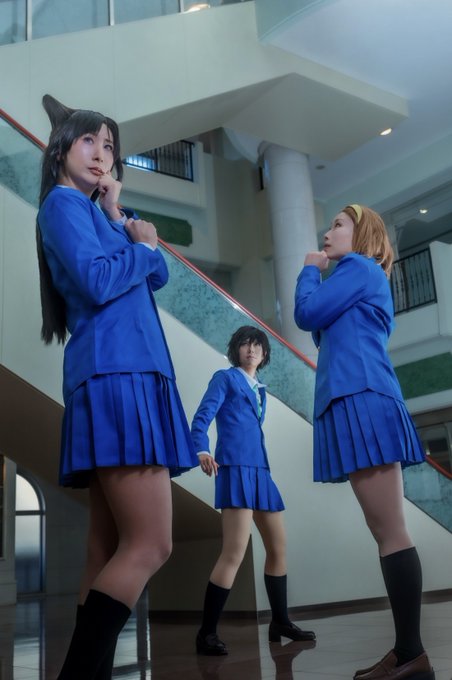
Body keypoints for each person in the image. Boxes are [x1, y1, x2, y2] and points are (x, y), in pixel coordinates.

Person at [36, 94, 199, 679]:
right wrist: (143, 245)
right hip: (118, 374)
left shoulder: (94, 212)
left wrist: (116, 213)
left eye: (109, 146)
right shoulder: (61, 204)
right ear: (61, 147)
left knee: (105, 549)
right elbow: (103, 280)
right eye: (89, 140)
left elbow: (157, 274)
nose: (102, 154)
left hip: (123, 371)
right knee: (152, 544)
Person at [294, 204, 435, 680]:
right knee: (386, 531)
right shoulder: (353, 278)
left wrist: (309, 270)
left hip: (363, 397)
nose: (327, 231)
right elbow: (322, 329)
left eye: (337, 224)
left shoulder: (357, 267)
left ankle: (412, 655)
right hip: (356, 397)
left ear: (363, 234)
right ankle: (406, 653)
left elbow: (305, 313)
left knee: (391, 531)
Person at [191, 325, 316, 656]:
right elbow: (202, 417)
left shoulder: (260, 389)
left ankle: (280, 622)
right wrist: (202, 449)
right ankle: (206, 633)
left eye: (257, 345)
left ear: (265, 353)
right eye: (245, 344)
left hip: (261, 471)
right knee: (234, 552)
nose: (251, 350)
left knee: (278, 548)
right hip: (235, 469)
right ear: (236, 350)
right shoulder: (225, 378)